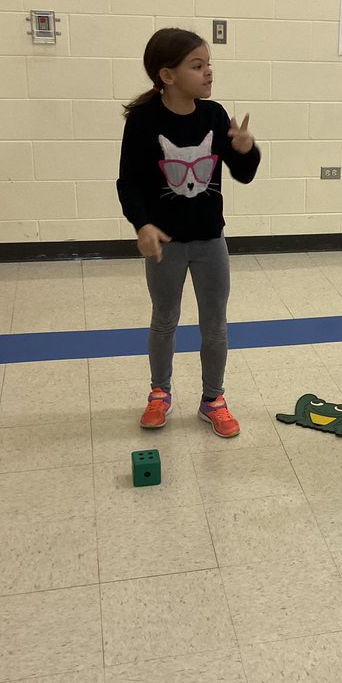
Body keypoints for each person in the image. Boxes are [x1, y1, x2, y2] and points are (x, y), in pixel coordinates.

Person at [117, 28, 260, 437]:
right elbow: (129, 183)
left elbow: (244, 174)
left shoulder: (213, 115)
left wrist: (247, 148)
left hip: (210, 240)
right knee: (164, 320)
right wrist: (142, 224)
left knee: (214, 324)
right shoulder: (144, 121)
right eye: (197, 66)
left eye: (208, 64)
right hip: (166, 245)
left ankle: (213, 398)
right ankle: (159, 393)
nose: (208, 72)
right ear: (167, 75)